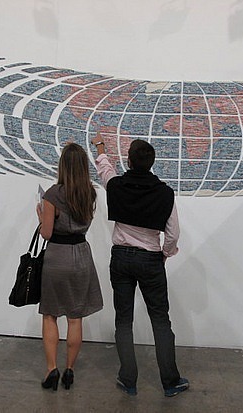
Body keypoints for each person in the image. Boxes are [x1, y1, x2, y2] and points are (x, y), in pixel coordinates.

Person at [91, 132, 189, 397]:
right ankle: (170, 382)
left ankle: (128, 379)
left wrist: (100, 146)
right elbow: (173, 233)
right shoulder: (165, 193)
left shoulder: (117, 186)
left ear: (129, 162)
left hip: (121, 258)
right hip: (150, 259)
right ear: (151, 163)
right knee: (160, 319)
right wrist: (165, 253)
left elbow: (105, 170)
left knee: (124, 320)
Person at [36, 142, 103, 391]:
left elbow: (46, 233)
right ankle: (70, 370)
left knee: (50, 314)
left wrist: (40, 216)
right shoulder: (90, 193)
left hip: (57, 256)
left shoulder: (52, 194)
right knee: (75, 318)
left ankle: (51, 369)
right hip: (81, 255)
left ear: (62, 165)